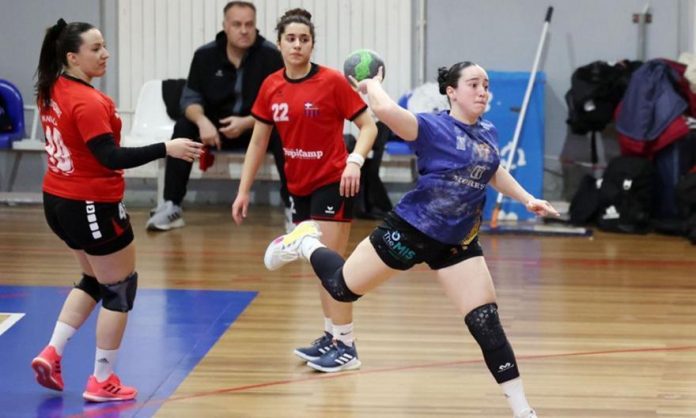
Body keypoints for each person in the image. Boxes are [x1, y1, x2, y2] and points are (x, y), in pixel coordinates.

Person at [262, 62, 559, 418]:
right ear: (451, 91)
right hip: (411, 230)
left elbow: (492, 168)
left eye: (486, 85)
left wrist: (527, 198)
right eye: (473, 84)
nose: (483, 91)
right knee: (340, 288)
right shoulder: (431, 127)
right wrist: (371, 84)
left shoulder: (488, 132)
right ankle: (305, 242)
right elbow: (386, 111)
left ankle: (523, 410)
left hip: (458, 242)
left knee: (486, 322)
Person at [30, 19, 202, 402]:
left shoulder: (50, 88)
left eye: (104, 45)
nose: (105, 54)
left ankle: (52, 352)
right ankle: (101, 380)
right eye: (95, 49)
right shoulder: (88, 101)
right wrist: (167, 148)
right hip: (90, 203)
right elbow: (109, 157)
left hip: (57, 201)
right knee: (120, 288)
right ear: (72, 57)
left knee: (94, 279)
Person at [232, 8, 378, 372]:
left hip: (333, 182)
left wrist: (354, 162)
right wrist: (243, 190)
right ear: (279, 43)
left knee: (331, 265)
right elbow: (258, 142)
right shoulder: (271, 86)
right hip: (298, 187)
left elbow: (369, 127)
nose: (297, 45)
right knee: (319, 266)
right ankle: (331, 335)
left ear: (312, 44)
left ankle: (347, 346)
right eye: (291, 39)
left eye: (304, 39)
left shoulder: (331, 82)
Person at [147, 1, 289, 231]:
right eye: (237, 24)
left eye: (249, 24)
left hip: (256, 127)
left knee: (283, 131)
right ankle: (171, 205)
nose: (244, 30)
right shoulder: (205, 55)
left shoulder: (271, 56)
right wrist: (202, 121)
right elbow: (189, 100)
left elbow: (282, 104)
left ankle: (293, 207)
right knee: (184, 127)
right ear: (225, 26)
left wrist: (248, 122)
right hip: (214, 131)